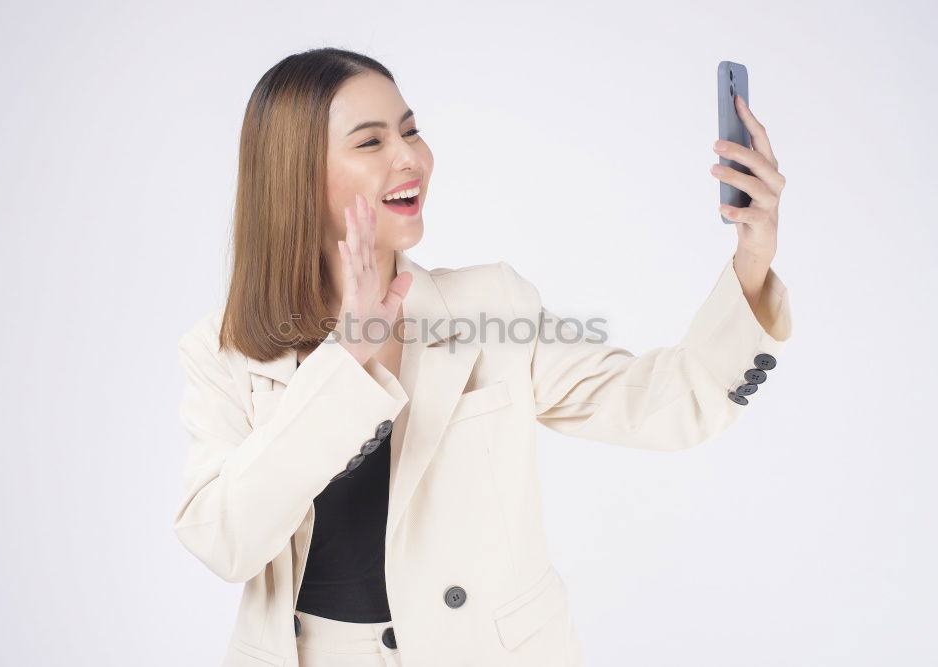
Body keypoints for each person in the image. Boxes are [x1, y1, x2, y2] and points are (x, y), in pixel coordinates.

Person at [173, 47, 792, 667]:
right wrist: (348, 357)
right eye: (370, 142)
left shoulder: (490, 307)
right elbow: (226, 542)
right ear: (295, 176)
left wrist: (753, 255)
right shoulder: (224, 349)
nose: (410, 158)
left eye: (411, 130)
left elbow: (666, 405)